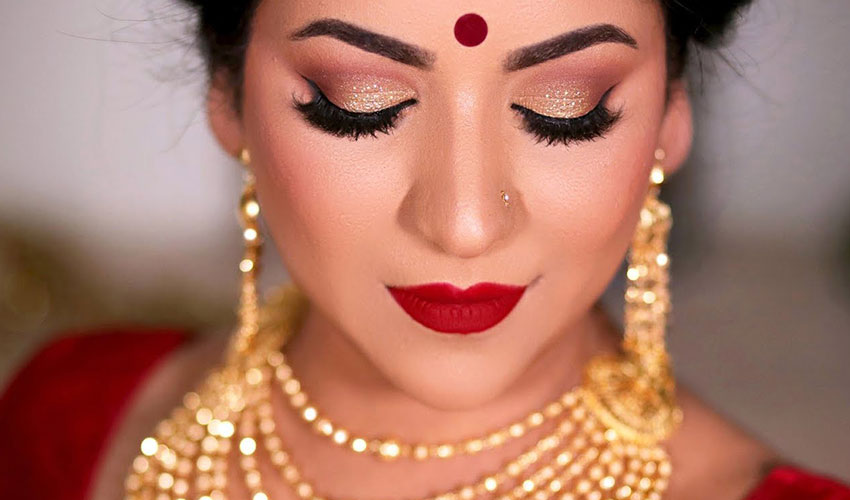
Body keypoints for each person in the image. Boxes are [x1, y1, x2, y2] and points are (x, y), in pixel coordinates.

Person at [1, 1, 848, 499]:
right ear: (228, 100)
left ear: (667, 119)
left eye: (567, 108)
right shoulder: (72, 421)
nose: (466, 223)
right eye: (356, 104)